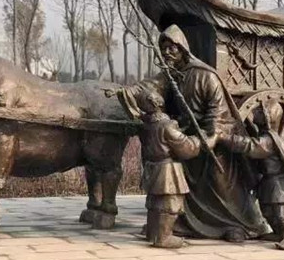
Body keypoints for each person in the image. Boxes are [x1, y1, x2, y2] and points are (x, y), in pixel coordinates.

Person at [106, 24, 267, 242]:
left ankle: (241, 225)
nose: (167, 52)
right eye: (163, 48)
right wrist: (125, 91)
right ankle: (184, 223)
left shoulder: (206, 75)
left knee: (220, 183)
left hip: (213, 136)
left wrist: (210, 137)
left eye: (172, 47)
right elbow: (148, 86)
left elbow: (217, 112)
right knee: (182, 173)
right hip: (187, 137)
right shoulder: (170, 75)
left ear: (182, 48)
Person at [218, 100, 284, 250]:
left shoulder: (269, 140)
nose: (255, 113)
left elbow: (250, 146)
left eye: (259, 112)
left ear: (268, 116)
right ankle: (278, 233)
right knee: (268, 211)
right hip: (268, 181)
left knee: (283, 212)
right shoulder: (265, 136)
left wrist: (224, 138)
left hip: (279, 182)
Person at [134, 90, 215, 248]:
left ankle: (153, 233)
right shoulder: (166, 126)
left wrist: (180, 128)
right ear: (157, 104)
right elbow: (188, 148)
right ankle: (164, 237)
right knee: (171, 203)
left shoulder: (146, 124)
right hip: (167, 169)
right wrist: (204, 138)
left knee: (155, 203)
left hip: (153, 167)